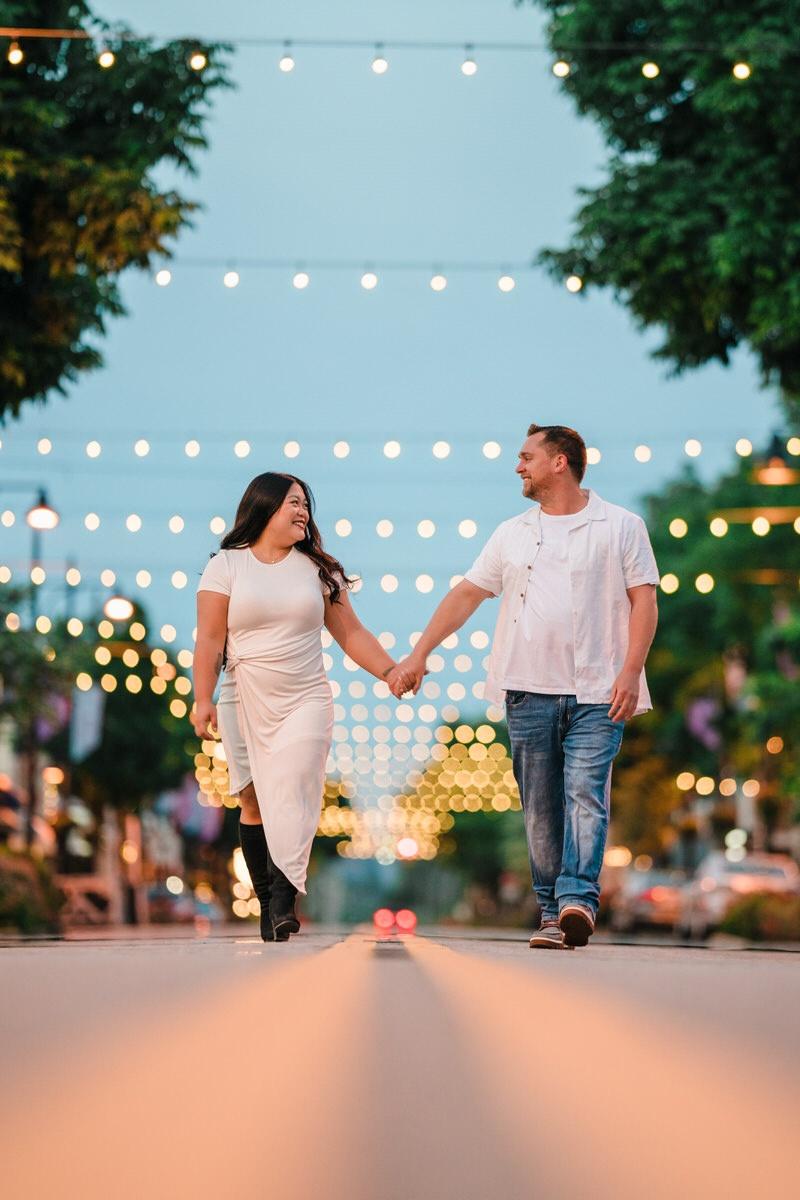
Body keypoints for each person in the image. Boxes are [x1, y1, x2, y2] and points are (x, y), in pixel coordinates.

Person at [387, 424, 659, 950]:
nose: (518, 466)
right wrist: (419, 653)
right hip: (527, 691)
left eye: (526, 457)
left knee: (586, 793)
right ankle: (552, 912)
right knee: (540, 805)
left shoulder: (621, 527)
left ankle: (578, 899)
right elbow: (467, 593)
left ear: (560, 462)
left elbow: (644, 600)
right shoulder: (512, 533)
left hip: (600, 690)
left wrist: (630, 670)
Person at [192, 472, 412, 942]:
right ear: (263, 507)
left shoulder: (318, 570)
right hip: (242, 695)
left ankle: (285, 900)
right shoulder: (225, 566)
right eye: (292, 502)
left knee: (292, 786)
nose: (302, 512)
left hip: (306, 698)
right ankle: (269, 904)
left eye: (305, 505)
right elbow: (210, 638)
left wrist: (391, 671)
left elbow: (352, 634)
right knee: (252, 800)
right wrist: (201, 699)